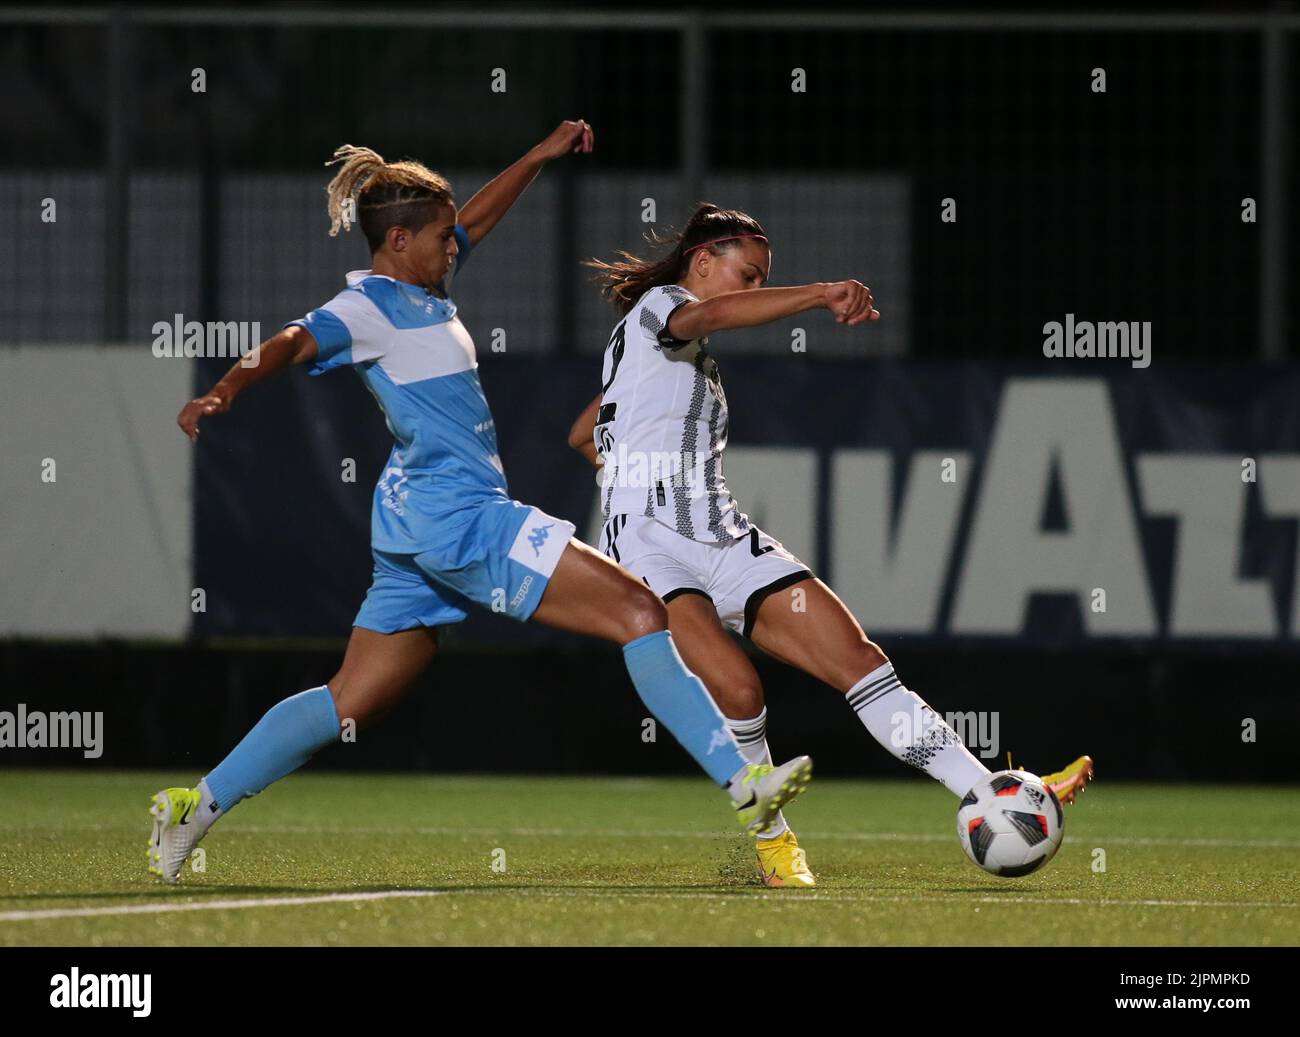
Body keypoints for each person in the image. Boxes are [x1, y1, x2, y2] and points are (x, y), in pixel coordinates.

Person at [148, 127, 812, 886]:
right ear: (397, 241)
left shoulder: (422, 286)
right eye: (439, 236)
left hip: (413, 524)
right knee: (640, 611)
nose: (455, 245)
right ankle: (743, 781)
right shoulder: (365, 308)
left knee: (350, 697)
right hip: (460, 517)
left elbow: (479, 219)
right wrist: (225, 388)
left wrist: (537, 156)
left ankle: (191, 805)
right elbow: (292, 340)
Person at [569, 203, 1093, 888]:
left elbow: (584, 433)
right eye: (748, 275)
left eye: (762, 281)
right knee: (738, 686)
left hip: (721, 531)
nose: (753, 291)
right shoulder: (665, 306)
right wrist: (818, 294)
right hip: (651, 545)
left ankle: (990, 787)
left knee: (860, 661)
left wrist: (620, 455)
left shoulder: (668, 357)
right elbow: (708, 316)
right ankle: (772, 840)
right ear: (703, 262)